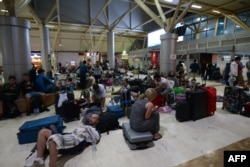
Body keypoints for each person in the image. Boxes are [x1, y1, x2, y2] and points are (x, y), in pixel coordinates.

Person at [31, 114, 100, 167]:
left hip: (77, 140)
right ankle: (39, 161)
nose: (90, 119)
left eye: (93, 118)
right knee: (43, 132)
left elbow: (95, 140)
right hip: (70, 135)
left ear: (97, 121)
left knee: (54, 140)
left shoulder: (95, 131)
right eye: (91, 117)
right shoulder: (84, 125)